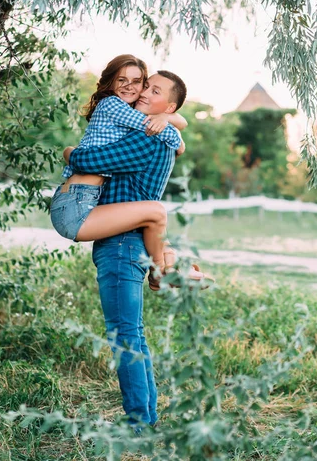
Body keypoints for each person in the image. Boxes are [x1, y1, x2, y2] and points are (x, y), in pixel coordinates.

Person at [66, 69, 197, 428]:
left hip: (123, 244)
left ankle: (138, 422)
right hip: (126, 240)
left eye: (154, 90)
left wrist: (70, 153)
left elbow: (87, 160)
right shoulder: (155, 132)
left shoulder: (148, 141)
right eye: (145, 85)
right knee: (132, 332)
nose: (143, 92)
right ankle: (147, 417)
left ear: (167, 105)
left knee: (124, 335)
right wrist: (168, 119)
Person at [50, 54, 208, 289]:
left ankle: (171, 268)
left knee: (160, 237)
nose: (130, 87)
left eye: (137, 82)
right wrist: (169, 120)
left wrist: (167, 116)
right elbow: (172, 138)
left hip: (86, 201)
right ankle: (159, 272)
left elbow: (174, 128)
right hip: (75, 206)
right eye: (121, 80)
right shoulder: (112, 105)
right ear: (111, 82)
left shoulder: (128, 113)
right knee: (156, 212)